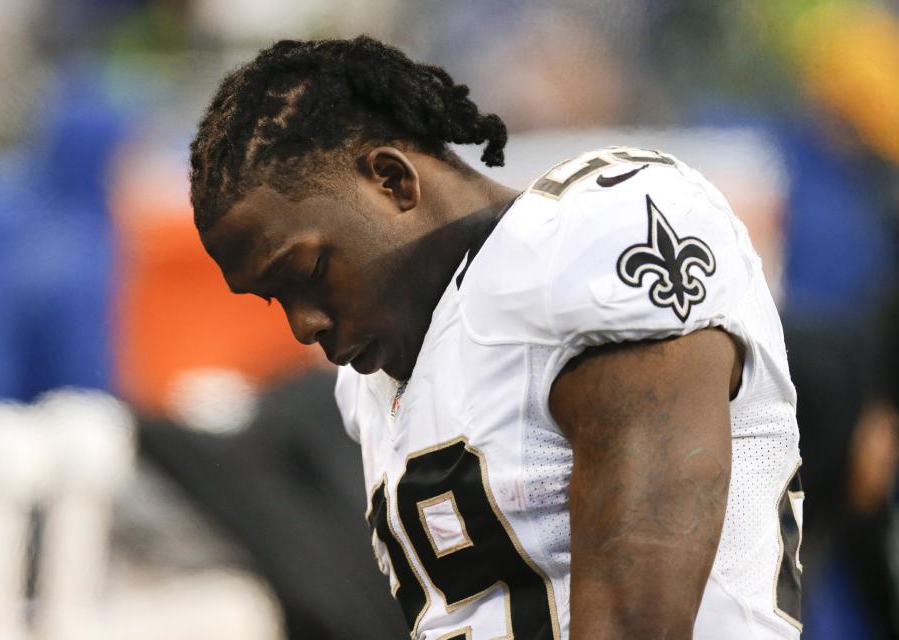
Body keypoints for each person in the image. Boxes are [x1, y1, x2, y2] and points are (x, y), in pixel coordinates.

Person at [189, 36, 803, 639]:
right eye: (276, 299)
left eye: (310, 272)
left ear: (392, 181)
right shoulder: (374, 384)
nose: (304, 325)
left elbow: (635, 621)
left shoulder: (591, 234)